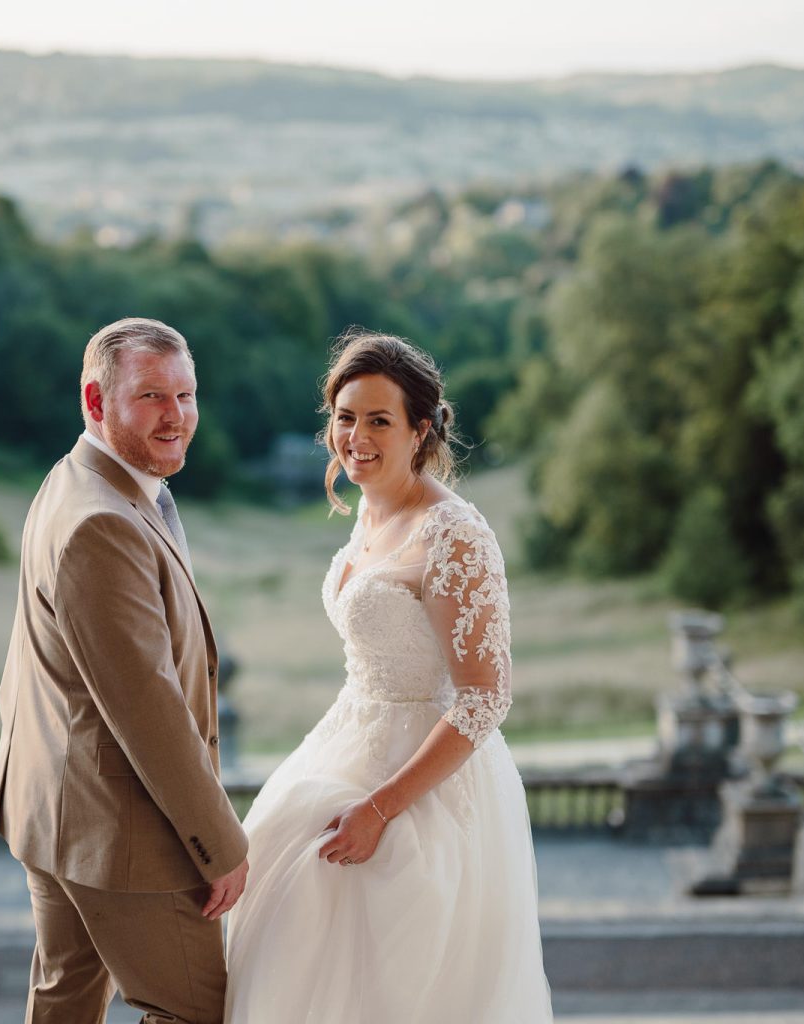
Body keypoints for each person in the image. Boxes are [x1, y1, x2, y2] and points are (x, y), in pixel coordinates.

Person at [224, 330, 552, 1022]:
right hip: (348, 743)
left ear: (419, 429)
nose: (357, 437)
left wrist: (381, 809)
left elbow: (485, 698)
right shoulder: (371, 513)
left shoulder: (455, 535)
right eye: (346, 417)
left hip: (425, 789)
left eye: (379, 420)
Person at [0, 317, 250, 1024]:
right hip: (123, 835)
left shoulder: (73, 478)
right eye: (152, 397)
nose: (178, 417)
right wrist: (219, 845)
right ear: (96, 403)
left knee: (65, 1000)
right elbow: (148, 708)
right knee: (195, 1011)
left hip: (56, 811)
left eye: (187, 395)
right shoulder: (100, 521)